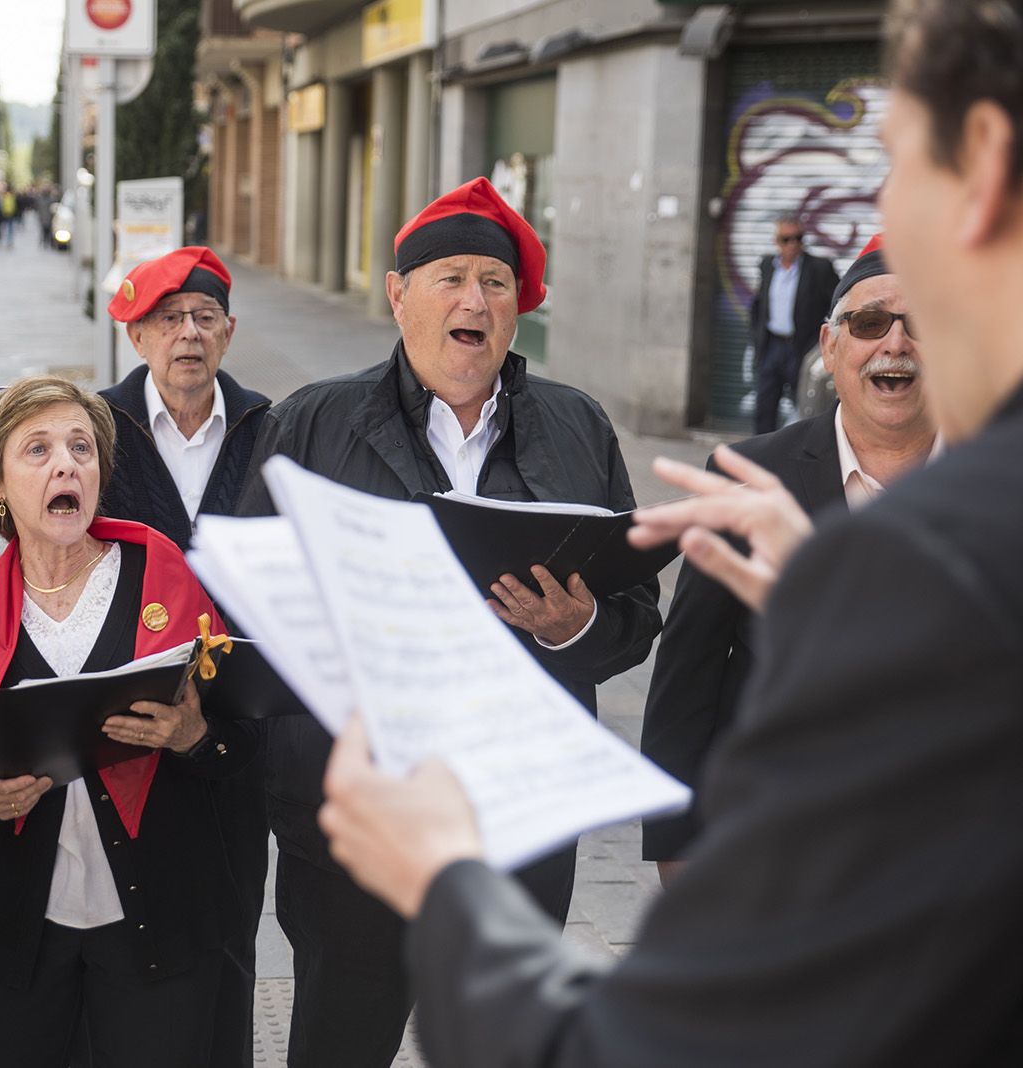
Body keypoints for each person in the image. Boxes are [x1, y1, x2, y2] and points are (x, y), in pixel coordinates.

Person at [316, 1, 1023, 1062]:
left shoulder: (933, 559)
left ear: (979, 163)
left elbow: (629, 1041)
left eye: (888, 165)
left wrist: (443, 879)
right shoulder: (921, 560)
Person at [236, 176, 662, 1068]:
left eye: (496, 283)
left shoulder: (578, 425)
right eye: (451, 278)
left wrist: (572, 627)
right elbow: (241, 599)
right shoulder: (312, 421)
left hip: (521, 813)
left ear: (517, 309)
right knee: (339, 1039)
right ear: (398, 296)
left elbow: (634, 613)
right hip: (356, 811)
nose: (476, 300)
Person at [0, 375, 257, 1068]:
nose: (66, 464)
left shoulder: (172, 582)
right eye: (37, 449)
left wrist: (191, 737)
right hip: (12, 934)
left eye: (81, 448)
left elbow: (240, 748)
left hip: (163, 924)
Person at [640, 234, 940, 883]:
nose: (895, 343)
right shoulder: (749, 475)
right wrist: (677, 847)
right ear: (830, 349)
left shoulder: (997, 486)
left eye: (922, 323)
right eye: (869, 322)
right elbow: (686, 682)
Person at [98, 247, 271, 1068]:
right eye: (168, 320)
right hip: (125, 707)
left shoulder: (274, 427)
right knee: (125, 918)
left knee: (233, 920)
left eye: (205, 318)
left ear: (230, 333)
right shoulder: (98, 427)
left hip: (236, 719)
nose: (189, 335)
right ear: (137, 337)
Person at [749, 213, 841, 433]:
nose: (792, 244)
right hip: (772, 346)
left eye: (797, 238)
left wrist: (822, 344)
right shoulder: (767, 266)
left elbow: (837, 304)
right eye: (786, 239)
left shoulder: (819, 268)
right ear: (776, 241)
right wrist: (756, 338)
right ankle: (760, 455)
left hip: (803, 348)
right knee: (764, 405)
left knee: (806, 405)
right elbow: (758, 306)